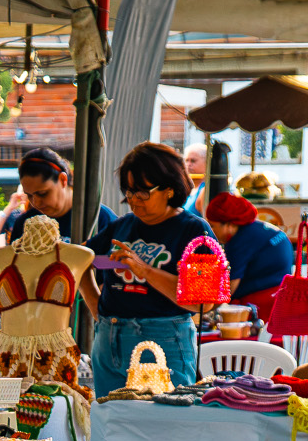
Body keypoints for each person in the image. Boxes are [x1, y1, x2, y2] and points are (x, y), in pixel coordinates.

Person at [85, 142, 214, 397]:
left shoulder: (194, 231)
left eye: (143, 192)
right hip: (109, 338)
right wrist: (97, 309)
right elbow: (80, 261)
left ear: (168, 189)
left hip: (164, 339)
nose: (133, 201)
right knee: (111, 426)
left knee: (165, 426)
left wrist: (146, 271)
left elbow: (204, 303)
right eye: (129, 192)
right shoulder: (120, 226)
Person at [0, 148, 114, 249]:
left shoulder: (100, 219)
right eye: (29, 195)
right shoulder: (25, 224)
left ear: (63, 179)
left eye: (43, 193)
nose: (36, 202)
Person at [204, 192, 293, 326]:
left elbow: (227, 289)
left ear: (229, 224)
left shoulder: (240, 241)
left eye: (212, 226)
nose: (211, 231)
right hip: (282, 302)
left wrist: (203, 312)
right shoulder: (259, 229)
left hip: (263, 307)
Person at [181, 142, 209, 213]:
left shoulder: (205, 190)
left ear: (207, 163)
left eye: (193, 161)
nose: (188, 165)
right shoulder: (187, 188)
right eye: (187, 160)